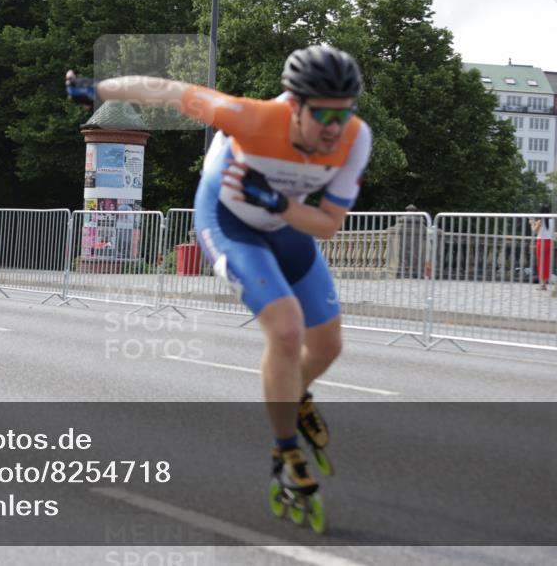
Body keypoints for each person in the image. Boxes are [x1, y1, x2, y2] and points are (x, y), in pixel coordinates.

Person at [67, 45, 371, 505]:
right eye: (324, 115)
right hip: (228, 224)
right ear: (294, 105)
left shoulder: (355, 137)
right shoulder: (253, 119)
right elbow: (170, 92)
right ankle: (285, 450)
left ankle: (294, 393)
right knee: (287, 329)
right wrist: (97, 90)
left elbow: (328, 224)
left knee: (328, 345)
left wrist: (277, 203)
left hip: (284, 221)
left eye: (343, 114)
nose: (335, 128)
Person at [530, 204, 554, 290]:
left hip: (541, 242)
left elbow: (534, 231)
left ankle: (542, 284)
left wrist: (532, 224)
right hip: (549, 242)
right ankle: (544, 284)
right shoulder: (552, 220)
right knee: (546, 263)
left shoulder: (540, 220)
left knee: (540, 263)